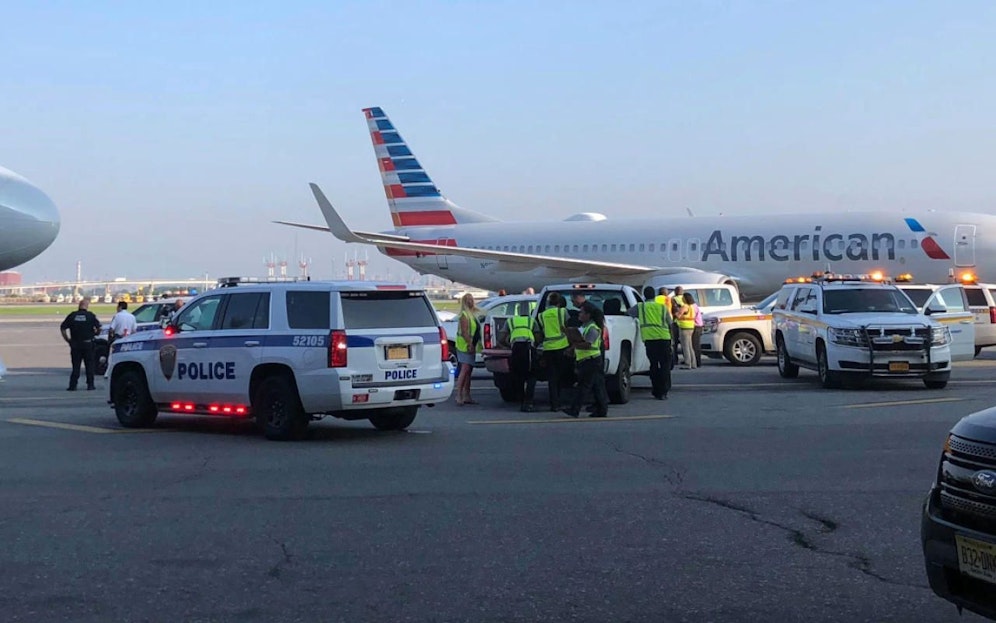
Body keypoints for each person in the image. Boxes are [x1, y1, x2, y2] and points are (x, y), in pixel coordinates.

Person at [562, 302, 608, 418]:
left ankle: (574, 409)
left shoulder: (592, 328)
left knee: (583, 387)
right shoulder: (585, 327)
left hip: (591, 361)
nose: (579, 314)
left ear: (588, 315)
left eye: (582, 312)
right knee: (597, 387)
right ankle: (602, 410)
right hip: (588, 360)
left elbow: (587, 344)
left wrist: (574, 343)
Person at [628, 286, 673, 399]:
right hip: (664, 338)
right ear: (654, 295)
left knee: (653, 365)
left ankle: (656, 390)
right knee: (665, 365)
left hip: (650, 340)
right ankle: (664, 390)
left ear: (644, 295)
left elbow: (628, 314)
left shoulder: (640, 307)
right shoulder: (662, 307)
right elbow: (670, 322)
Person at [533, 292, 570, 411]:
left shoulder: (541, 315)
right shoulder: (562, 312)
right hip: (562, 346)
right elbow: (567, 326)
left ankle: (554, 404)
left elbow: (541, 332)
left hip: (548, 348)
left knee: (552, 378)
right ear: (559, 303)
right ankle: (559, 400)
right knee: (561, 376)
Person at [60, 297, 102, 390]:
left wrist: (67, 339)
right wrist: (96, 333)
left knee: (76, 366)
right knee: (89, 365)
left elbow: (63, 328)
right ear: (87, 306)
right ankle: (90, 385)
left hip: (75, 344)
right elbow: (99, 328)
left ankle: (73, 385)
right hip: (88, 344)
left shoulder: (72, 315)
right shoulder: (90, 316)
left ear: (79, 306)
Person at [500, 309, 537, 412]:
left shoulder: (511, 321)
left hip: (516, 349)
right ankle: (529, 402)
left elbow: (501, 338)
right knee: (531, 376)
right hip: (529, 348)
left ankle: (522, 401)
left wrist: (509, 345)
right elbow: (538, 336)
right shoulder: (532, 321)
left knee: (518, 376)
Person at [454, 293, 480, 405]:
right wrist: (470, 344)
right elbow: (465, 332)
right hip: (464, 345)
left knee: (469, 371)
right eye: (468, 299)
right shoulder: (464, 315)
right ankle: (459, 395)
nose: (470, 301)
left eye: (471, 299)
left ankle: (467, 395)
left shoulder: (472, 314)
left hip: (471, 344)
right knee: (464, 370)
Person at [104, 300, 138, 379]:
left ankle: (107, 373)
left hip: (118, 338)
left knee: (112, 356)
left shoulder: (117, 316)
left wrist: (110, 339)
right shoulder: (132, 316)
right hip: (128, 338)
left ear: (120, 307)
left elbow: (111, 329)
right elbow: (134, 330)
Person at [676, 292, 698, 369]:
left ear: (685, 298)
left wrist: (676, 311)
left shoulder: (684, 306)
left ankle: (687, 363)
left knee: (685, 346)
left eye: (683, 297)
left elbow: (678, 315)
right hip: (691, 327)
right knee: (690, 346)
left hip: (684, 328)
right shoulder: (692, 306)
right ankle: (693, 363)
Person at [670, 286, 685, 368]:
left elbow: (674, 310)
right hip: (685, 323)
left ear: (675, 292)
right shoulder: (685, 299)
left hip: (676, 322)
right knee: (685, 343)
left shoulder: (673, 299)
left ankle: (675, 359)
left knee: (675, 342)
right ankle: (687, 358)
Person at [692, 294, 705, 366]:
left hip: (696, 326)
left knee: (695, 345)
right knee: (695, 345)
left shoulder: (692, 307)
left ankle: (698, 361)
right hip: (698, 326)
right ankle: (696, 361)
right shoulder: (694, 306)